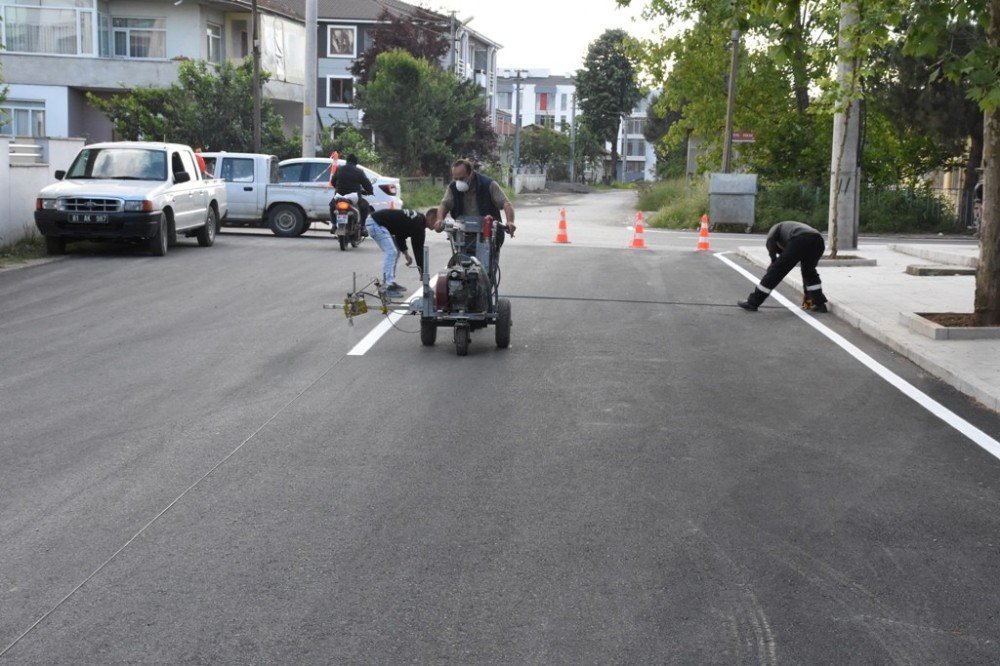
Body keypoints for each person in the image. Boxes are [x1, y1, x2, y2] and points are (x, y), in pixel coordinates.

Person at [738, 221, 829, 313]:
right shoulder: (790, 228)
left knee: (775, 272)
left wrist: (773, 260)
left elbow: (770, 242)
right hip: (818, 241)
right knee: (809, 272)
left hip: (800, 239)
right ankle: (818, 304)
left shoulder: (775, 229)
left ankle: (752, 303)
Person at [366, 207, 441, 297]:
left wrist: (406, 254)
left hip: (376, 221)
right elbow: (419, 252)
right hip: (376, 223)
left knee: (395, 251)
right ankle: (387, 287)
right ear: (432, 218)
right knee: (391, 252)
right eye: (438, 221)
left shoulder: (417, 220)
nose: (440, 224)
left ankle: (391, 283)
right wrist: (423, 274)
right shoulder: (418, 225)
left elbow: (400, 235)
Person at [436, 158, 516, 235]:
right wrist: (440, 220)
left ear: (471, 174)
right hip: (462, 231)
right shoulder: (453, 188)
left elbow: (506, 203)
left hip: (488, 231)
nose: (458, 182)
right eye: (456, 179)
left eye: (462, 178)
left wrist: (510, 222)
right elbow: (444, 204)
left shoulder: (488, 184)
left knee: (488, 246)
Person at [329, 154, 373, 227]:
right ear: (356, 162)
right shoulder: (359, 171)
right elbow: (367, 184)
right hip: (354, 197)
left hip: (339, 196)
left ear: (347, 161)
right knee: (365, 206)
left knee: (332, 206)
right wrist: (369, 191)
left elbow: (333, 182)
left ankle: (334, 225)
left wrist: (337, 187)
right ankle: (362, 227)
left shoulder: (339, 169)